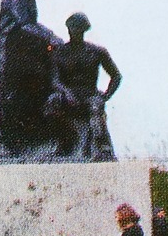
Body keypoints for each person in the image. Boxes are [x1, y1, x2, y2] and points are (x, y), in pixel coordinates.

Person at [0, 0, 64, 161]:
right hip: (5, 54)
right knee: (4, 99)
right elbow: (25, 24)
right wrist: (51, 36)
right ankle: (1, 146)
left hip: (21, 54)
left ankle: (28, 143)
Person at [50, 12, 121, 162]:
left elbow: (116, 76)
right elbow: (55, 80)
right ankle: (61, 143)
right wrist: (66, 92)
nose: (73, 32)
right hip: (68, 94)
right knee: (52, 103)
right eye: (71, 28)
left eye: (77, 28)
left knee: (96, 107)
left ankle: (103, 149)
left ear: (83, 30)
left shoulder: (97, 52)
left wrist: (106, 95)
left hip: (89, 94)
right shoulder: (60, 52)